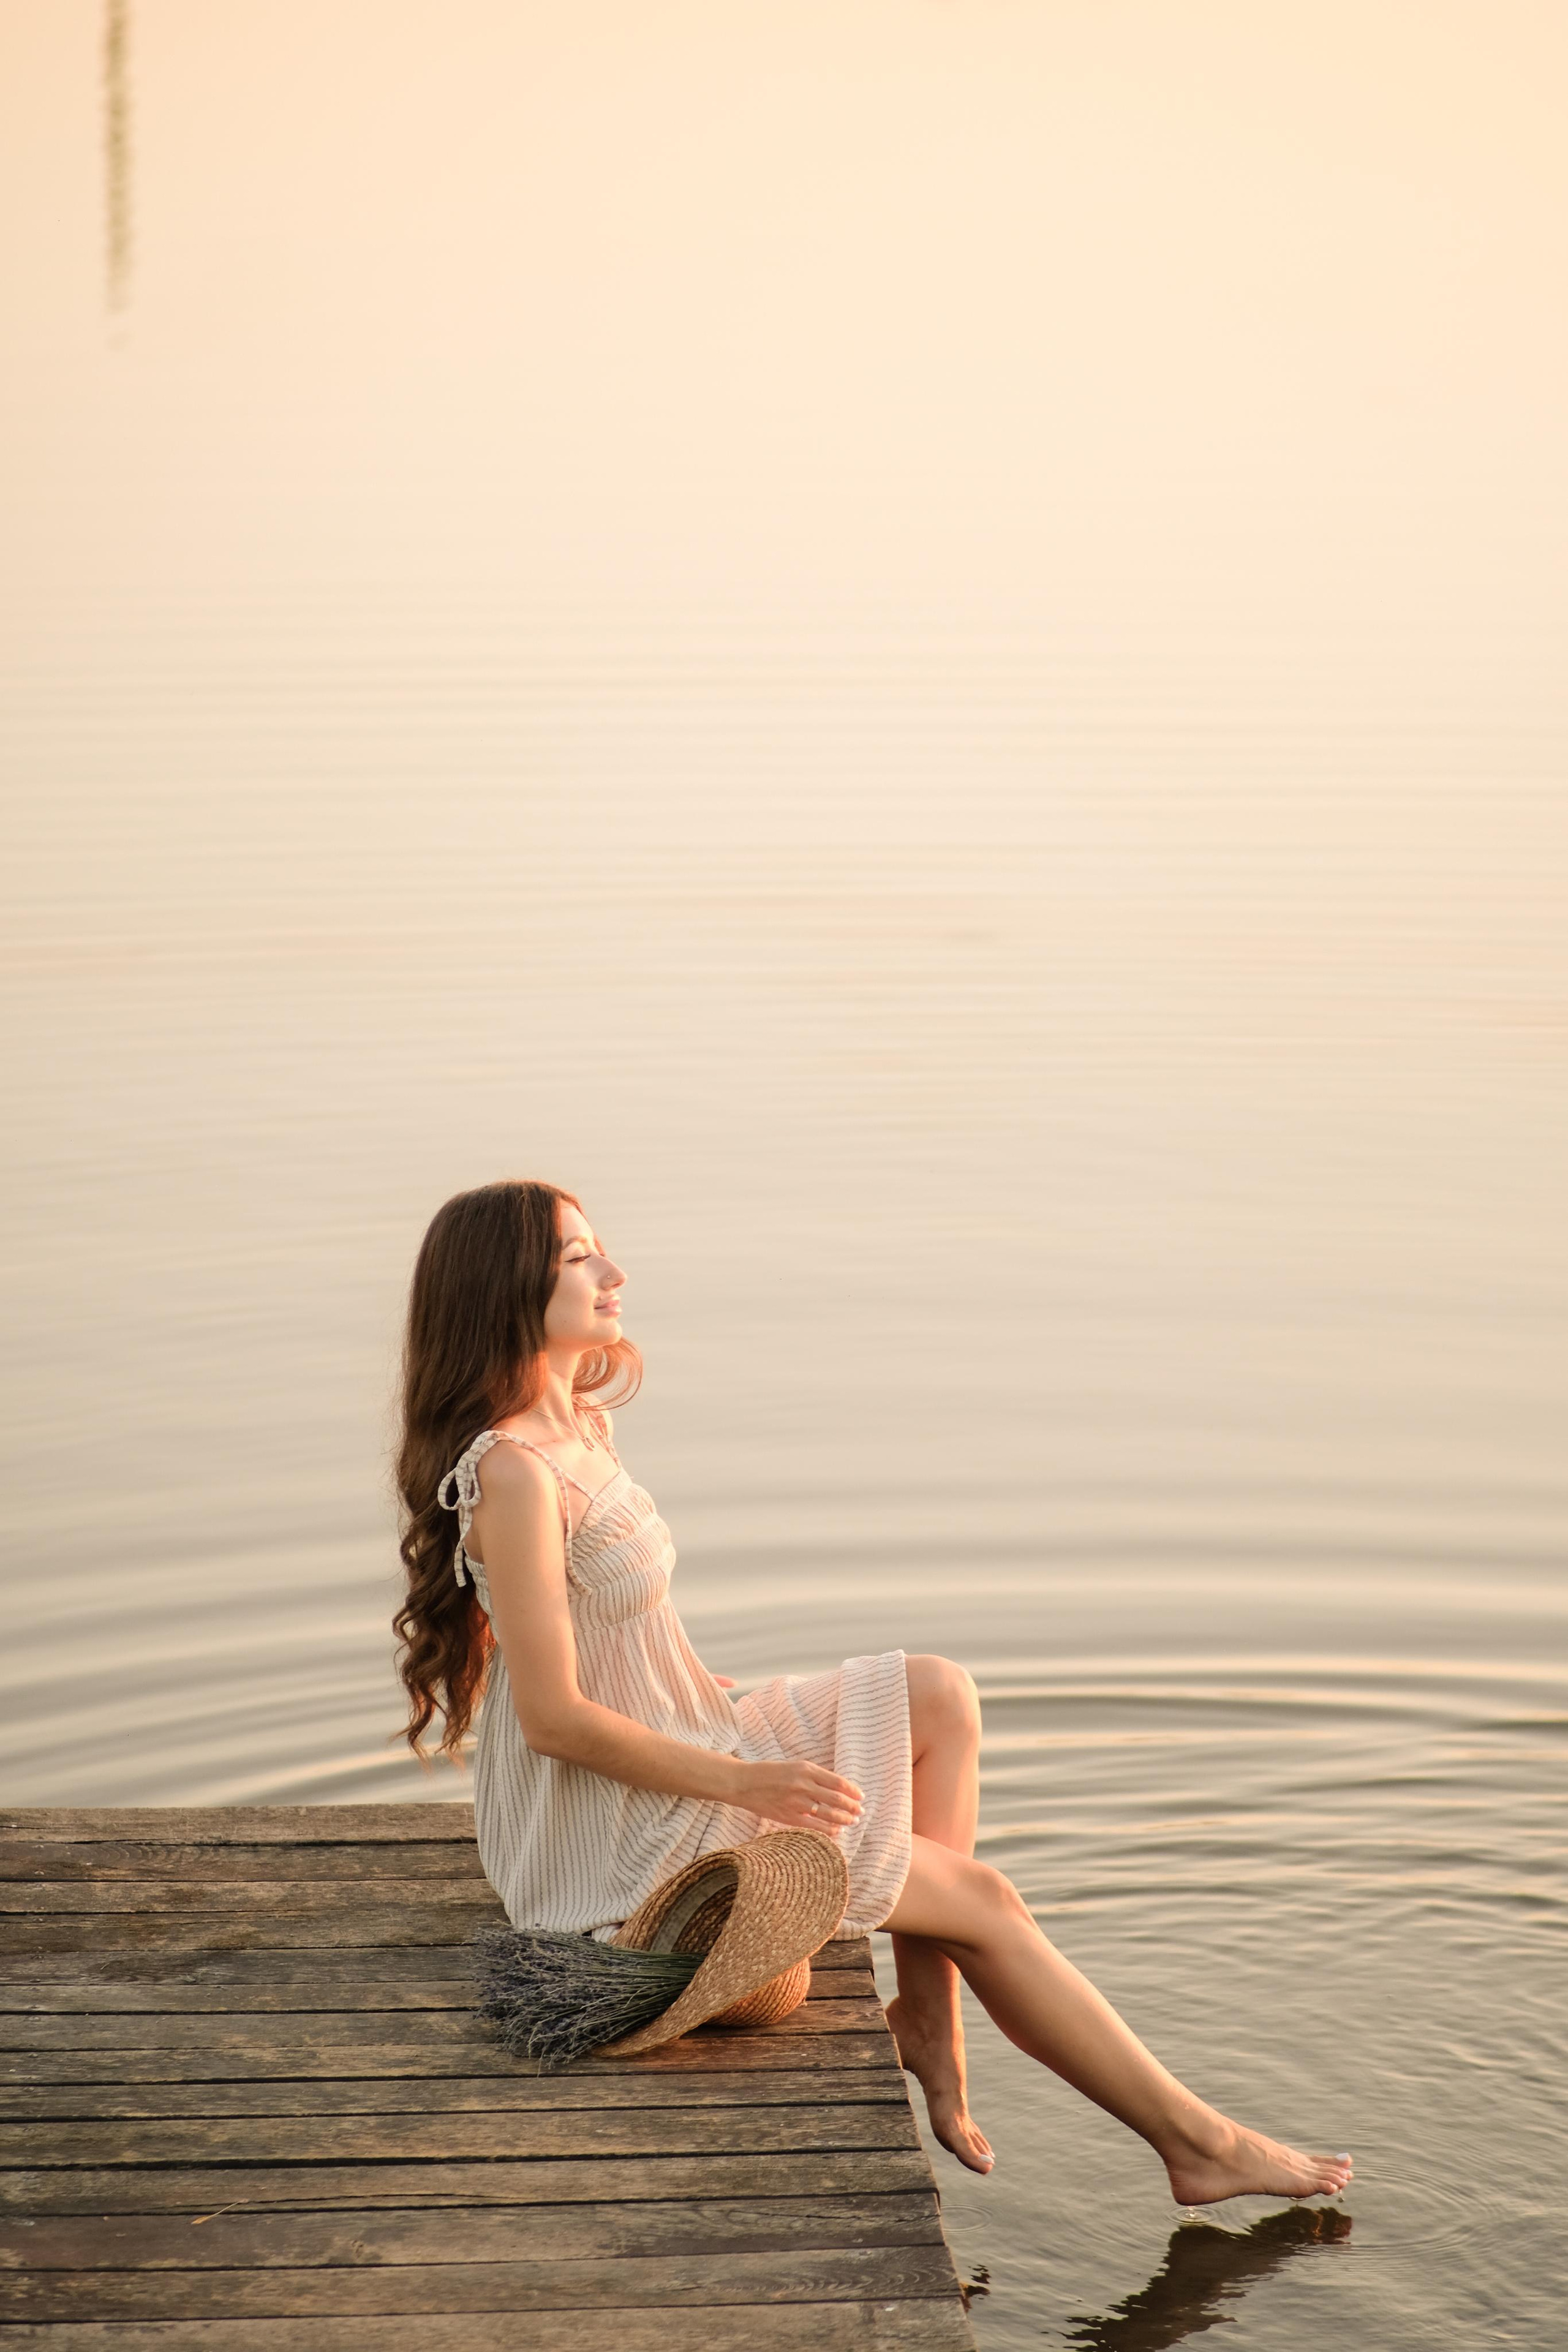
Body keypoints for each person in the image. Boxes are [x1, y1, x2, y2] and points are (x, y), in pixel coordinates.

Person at [394, 1178, 1352, 2203]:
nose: (614, 1274)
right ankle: (1197, 2145)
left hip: (674, 1730)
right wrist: (745, 1780)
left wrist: (689, 1685)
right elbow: (550, 1718)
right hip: (613, 1835)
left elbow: (607, 1627)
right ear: (509, 1290)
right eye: (580, 1258)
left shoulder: (579, 1427)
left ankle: (926, 2023)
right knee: (984, 1899)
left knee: (939, 1695)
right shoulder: (512, 1473)